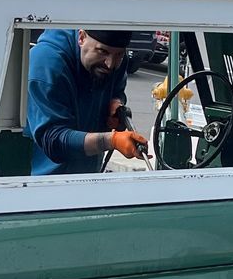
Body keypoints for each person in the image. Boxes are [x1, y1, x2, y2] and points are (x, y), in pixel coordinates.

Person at [27, 28, 149, 175]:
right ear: (82, 37)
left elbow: (117, 89)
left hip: (87, 173)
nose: (110, 64)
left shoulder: (115, 60)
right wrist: (112, 141)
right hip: (40, 180)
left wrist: (115, 104)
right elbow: (53, 141)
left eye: (119, 55)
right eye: (102, 51)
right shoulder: (47, 65)